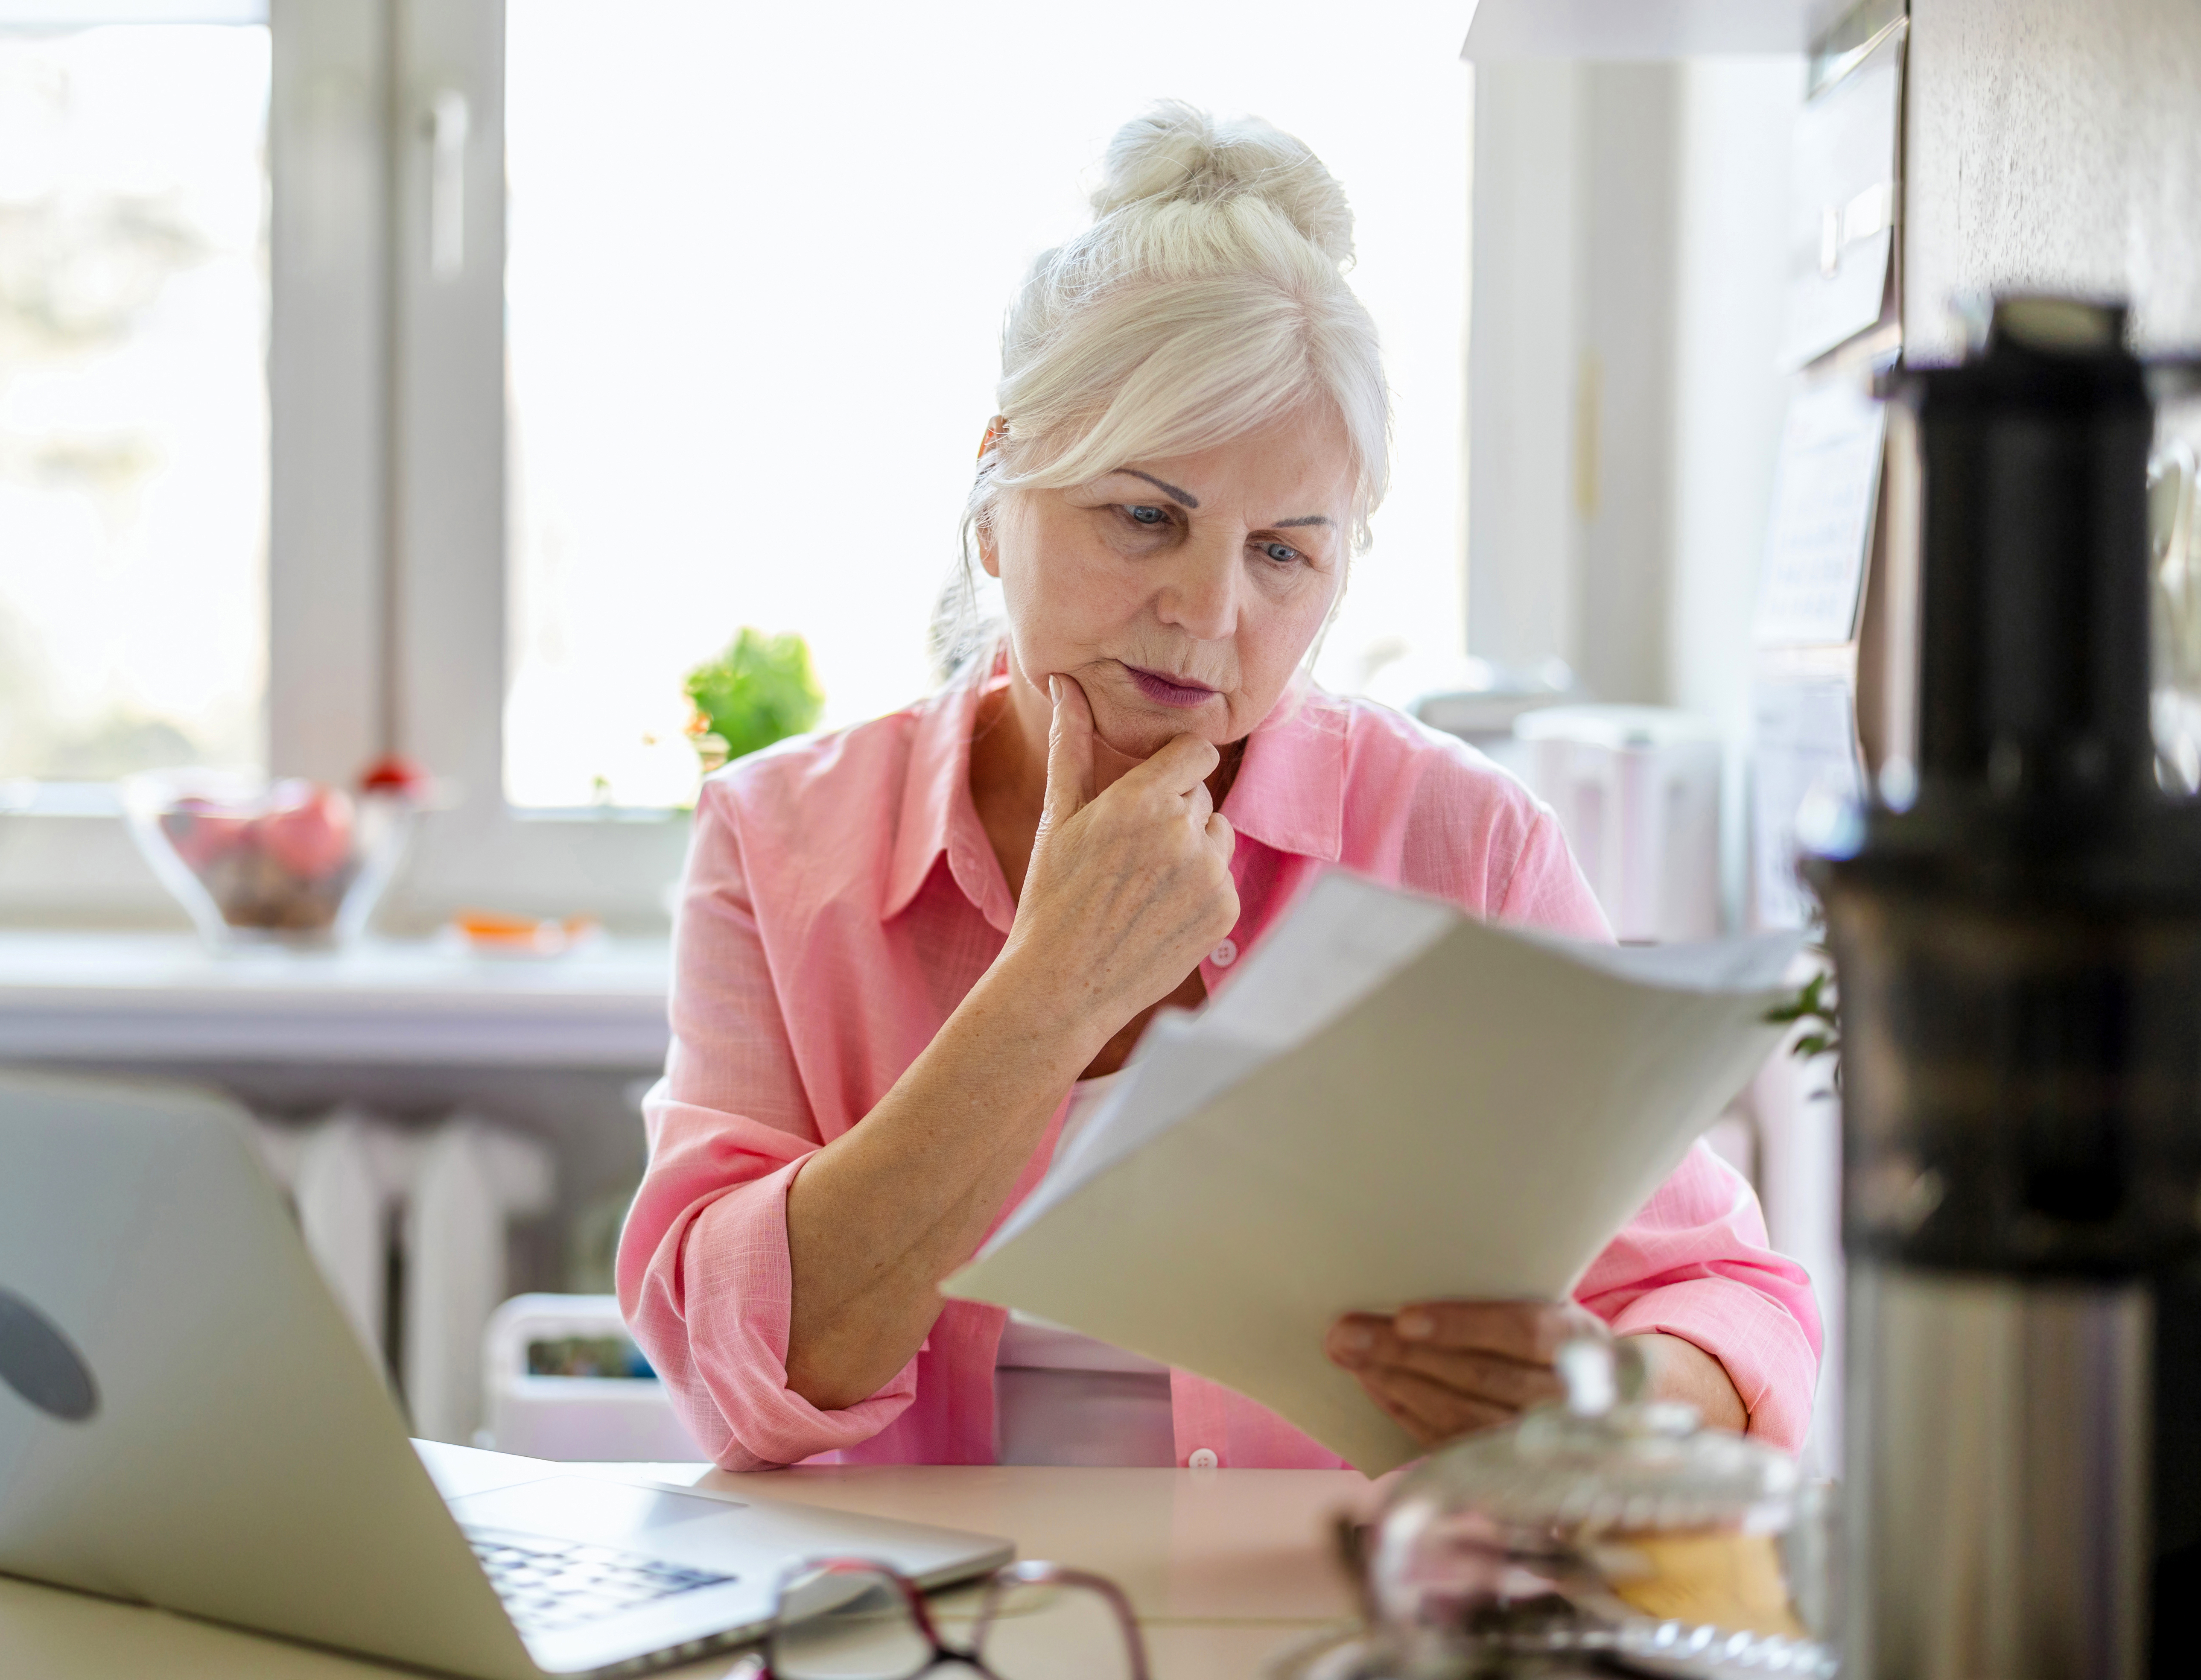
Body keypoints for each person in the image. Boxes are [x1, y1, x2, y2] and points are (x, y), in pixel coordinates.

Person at [617, 103, 1820, 1472]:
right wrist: (1054, 984)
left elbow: (1737, 1304)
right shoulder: (780, 843)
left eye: (1284, 554)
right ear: (998, 492)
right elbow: (743, 1376)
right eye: (1147, 516)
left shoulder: (1460, 845)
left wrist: (1604, 1402)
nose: (1208, 613)